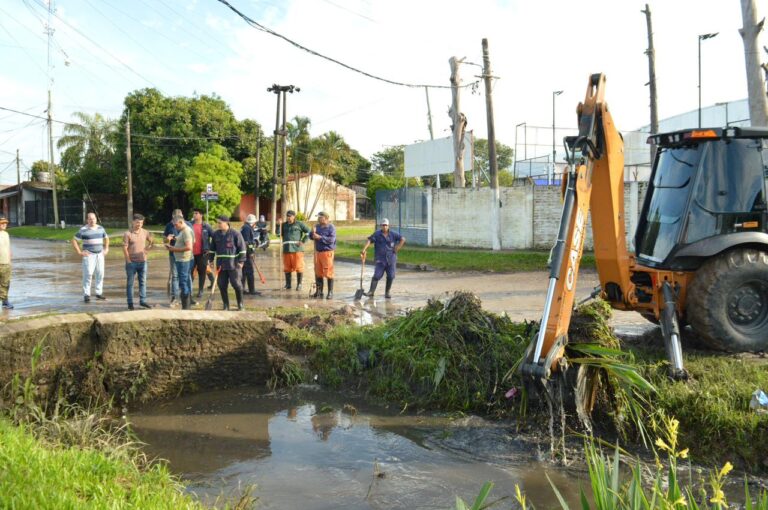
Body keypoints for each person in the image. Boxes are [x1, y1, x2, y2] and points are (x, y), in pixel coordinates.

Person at [209, 215, 247, 310]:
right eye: (217, 223)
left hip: (234, 264)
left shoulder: (235, 234)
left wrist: (241, 262)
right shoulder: (215, 234)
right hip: (221, 265)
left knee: (237, 285)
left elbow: (242, 249)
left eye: (220, 223)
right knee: (222, 285)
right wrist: (211, 260)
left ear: (226, 223)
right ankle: (226, 305)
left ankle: (240, 304)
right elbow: (212, 249)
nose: (218, 225)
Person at [361, 218, 405, 299]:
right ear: (381, 226)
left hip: (391, 259)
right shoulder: (377, 234)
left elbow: (402, 239)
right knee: (377, 275)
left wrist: (397, 247)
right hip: (380, 260)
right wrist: (364, 249)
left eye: (386, 225)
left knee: (391, 276)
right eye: (383, 225)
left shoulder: (393, 234)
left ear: (388, 226)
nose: (384, 227)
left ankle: (387, 292)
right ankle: (371, 292)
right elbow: (369, 240)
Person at [72, 212, 109, 303]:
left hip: (100, 254)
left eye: (93, 218)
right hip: (89, 255)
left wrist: (106, 248)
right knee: (88, 274)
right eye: (90, 219)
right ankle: (86, 294)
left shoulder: (101, 228)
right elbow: (74, 240)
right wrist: (79, 252)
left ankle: (98, 293)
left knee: (100, 273)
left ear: (96, 219)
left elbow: (106, 238)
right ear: (87, 220)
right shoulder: (83, 230)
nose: (92, 220)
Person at [122, 213, 154, 310]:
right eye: (137, 222)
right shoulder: (128, 234)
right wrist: (128, 260)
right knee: (130, 283)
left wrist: (148, 248)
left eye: (141, 223)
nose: (139, 224)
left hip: (143, 262)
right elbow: (124, 248)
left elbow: (152, 241)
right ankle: (130, 303)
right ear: (133, 222)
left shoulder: (145, 232)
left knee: (143, 282)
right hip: (131, 263)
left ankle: (143, 301)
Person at [164, 214, 194, 310]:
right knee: (184, 282)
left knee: (183, 283)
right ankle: (187, 306)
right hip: (182, 259)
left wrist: (174, 249)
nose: (175, 227)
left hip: (184, 260)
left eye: (176, 225)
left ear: (181, 222)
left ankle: (186, 307)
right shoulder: (182, 231)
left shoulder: (186, 231)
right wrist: (171, 240)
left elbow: (189, 246)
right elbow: (188, 241)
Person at [278, 210, 310, 291]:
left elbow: (308, 232)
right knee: (287, 268)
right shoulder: (284, 225)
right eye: (287, 216)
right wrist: (279, 225)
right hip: (286, 249)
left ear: (294, 216)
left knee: (299, 267)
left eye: (290, 216)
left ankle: (299, 284)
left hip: (297, 250)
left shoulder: (299, 224)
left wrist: (302, 241)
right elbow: (278, 233)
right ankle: (288, 284)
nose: (288, 218)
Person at [190, 208, 215, 300]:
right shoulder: (189, 225)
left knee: (202, 272)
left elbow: (214, 237)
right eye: (194, 213)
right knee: (190, 272)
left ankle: (201, 290)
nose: (194, 215)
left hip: (203, 253)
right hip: (191, 253)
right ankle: (189, 290)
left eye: (196, 213)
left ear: (201, 215)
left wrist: (210, 248)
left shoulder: (206, 226)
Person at [310, 211, 336, 299]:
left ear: (325, 218)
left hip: (327, 253)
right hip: (318, 253)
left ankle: (330, 292)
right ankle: (319, 292)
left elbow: (331, 240)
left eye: (320, 217)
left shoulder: (331, 227)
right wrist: (312, 233)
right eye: (318, 217)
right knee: (318, 273)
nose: (319, 219)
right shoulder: (317, 227)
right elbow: (311, 236)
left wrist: (320, 237)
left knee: (328, 272)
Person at [240, 214, 258, 295]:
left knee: (244, 272)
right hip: (246, 254)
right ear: (253, 222)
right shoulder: (247, 229)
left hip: (244, 253)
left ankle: (242, 290)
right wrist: (251, 252)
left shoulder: (246, 227)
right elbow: (247, 243)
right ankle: (252, 290)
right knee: (249, 272)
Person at [0, 214, 13, 309]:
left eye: (5, 223)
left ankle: (5, 301)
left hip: (6, 263)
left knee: (6, 283)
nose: (4, 225)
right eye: (2, 223)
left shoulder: (6, 234)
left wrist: (9, 257)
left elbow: (8, 248)